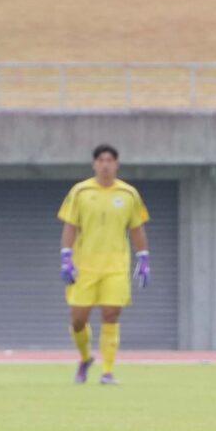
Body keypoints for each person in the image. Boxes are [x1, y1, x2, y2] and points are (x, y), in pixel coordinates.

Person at [57, 144, 151, 385]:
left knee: (111, 314)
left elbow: (137, 227)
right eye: (101, 160)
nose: (105, 165)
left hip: (116, 266)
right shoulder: (81, 191)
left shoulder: (128, 194)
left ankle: (107, 372)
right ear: (94, 164)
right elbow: (70, 225)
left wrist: (143, 257)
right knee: (78, 320)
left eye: (110, 160)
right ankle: (85, 358)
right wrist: (66, 256)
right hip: (85, 266)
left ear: (116, 164)